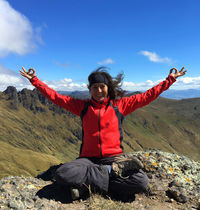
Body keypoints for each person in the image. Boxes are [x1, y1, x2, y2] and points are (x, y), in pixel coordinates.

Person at [19, 66, 186, 201]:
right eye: (94, 87)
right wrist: (35, 81)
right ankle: (107, 175)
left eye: (102, 87)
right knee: (62, 173)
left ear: (108, 88)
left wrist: (169, 80)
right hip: (88, 160)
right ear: (90, 89)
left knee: (141, 182)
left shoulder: (120, 105)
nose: (98, 90)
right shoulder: (82, 107)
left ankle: (85, 188)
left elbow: (147, 96)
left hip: (114, 158)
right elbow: (55, 96)